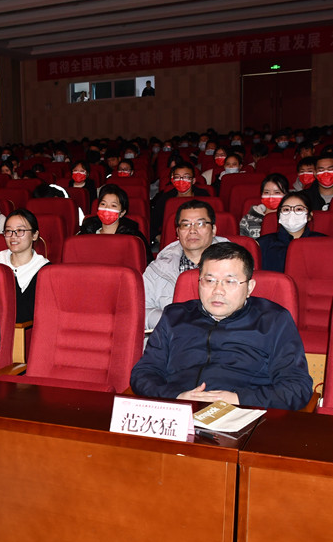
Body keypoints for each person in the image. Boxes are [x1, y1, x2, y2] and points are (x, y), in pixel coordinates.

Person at [131, 242, 312, 410]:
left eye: (230, 281)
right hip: (178, 412)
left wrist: (238, 399)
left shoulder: (273, 320)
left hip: (243, 414)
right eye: (209, 280)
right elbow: (144, 373)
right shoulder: (174, 316)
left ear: (249, 287)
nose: (218, 291)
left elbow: (297, 387)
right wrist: (176, 396)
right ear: (199, 281)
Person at [144, 200, 228, 331]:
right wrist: (176, 322)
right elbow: (142, 309)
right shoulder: (158, 268)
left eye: (200, 224)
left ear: (213, 229)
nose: (192, 230)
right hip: (173, 337)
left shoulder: (236, 265)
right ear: (178, 232)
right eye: (186, 225)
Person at [0, 208, 48, 324]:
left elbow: (25, 315)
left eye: (20, 230)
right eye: (8, 231)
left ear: (34, 235)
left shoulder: (45, 271)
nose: (13, 236)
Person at [78, 184, 150, 264]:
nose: (107, 208)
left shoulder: (133, 237)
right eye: (103, 204)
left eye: (113, 205)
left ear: (122, 213)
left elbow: (145, 263)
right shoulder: (86, 233)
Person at [257, 192, 326, 273]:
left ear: (309, 215)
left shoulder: (323, 243)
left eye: (299, 209)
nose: (292, 213)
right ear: (279, 215)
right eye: (286, 209)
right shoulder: (261, 244)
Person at [149, 161, 209, 240]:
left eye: (186, 177)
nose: (181, 180)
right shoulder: (165, 199)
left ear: (193, 180)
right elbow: (152, 224)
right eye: (177, 177)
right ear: (173, 180)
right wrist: (159, 238)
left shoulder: (204, 196)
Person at [239, 173, 290, 238]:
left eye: (277, 192)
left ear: (286, 195)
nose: (271, 196)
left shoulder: (292, 217)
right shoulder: (247, 220)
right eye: (266, 192)